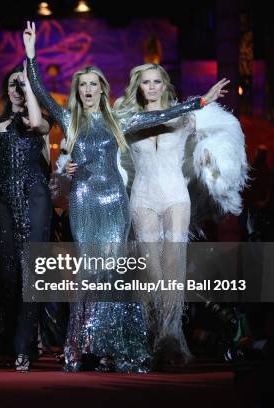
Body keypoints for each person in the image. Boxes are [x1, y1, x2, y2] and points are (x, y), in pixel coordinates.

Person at [23, 21, 229, 372]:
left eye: (93, 85)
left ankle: (115, 344)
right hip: (85, 201)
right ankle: (79, 344)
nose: (88, 90)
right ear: (77, 91)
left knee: (115, 273)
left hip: (116, 202)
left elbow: (164, 113)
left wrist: (202, 100)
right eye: (82, 85)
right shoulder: (68, 119)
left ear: (102, 89)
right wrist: (30, 56)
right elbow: (41, 93)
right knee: (89, 271)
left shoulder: (120, 121)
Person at [114, 63, 246, 366]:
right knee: (150, 271)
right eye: (145, 82)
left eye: (156, 81)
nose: (151, 87)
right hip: (142, 196)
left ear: (165, 84)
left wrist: (211, 160)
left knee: (173, 269)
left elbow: (220, 133)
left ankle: (170, 339)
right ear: (138, 85)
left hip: (175, 195)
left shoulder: (186, 116)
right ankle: (153, 335)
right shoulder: (127, 119)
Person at [0, 57, 51, 371]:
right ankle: (12, 340)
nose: (16, 89)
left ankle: (25, 346)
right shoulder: (0, 122)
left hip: (33, 194)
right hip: (2, 198)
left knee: (32, 271)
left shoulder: (40, 119)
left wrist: (29, 85)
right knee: (8, 273)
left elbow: (36, 124)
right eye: (13, 84)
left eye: (20, 84)